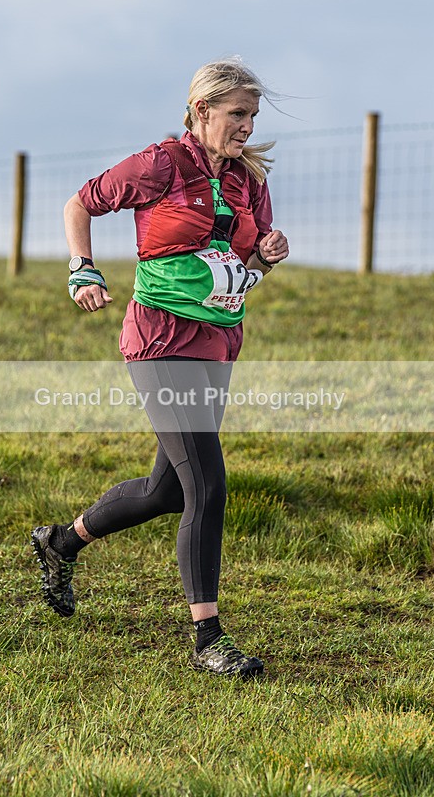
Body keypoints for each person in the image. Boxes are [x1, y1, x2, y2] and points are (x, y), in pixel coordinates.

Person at [31, 57, 289, 678]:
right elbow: (80, 203)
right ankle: (209, 640)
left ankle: (60, 543)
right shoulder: (161, 165)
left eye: (252, 116)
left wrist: (269, 252)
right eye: (237, 114)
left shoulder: (247, 180)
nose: (247, 127)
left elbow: (248, 254)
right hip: (160, 339)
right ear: (201, 110)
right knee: (207, 483)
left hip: (218, 341)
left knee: (166, 490)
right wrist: (82, 269)